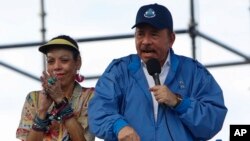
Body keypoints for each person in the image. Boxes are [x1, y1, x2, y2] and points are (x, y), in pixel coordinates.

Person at [88, 3, 227, 141]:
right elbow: (98, 110)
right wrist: (118, 126)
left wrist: (179, 102)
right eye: (140, 34)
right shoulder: (119, 71)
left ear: (171, 39)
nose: (146, 41)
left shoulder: (194, 72)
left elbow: (213, 120)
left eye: (154, 34)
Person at [16, 35, 95, 141]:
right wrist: (42, 112)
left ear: (78, 63)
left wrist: (61, 103)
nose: (56, 66)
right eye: (51, 61)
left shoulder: (91, 97)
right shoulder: (34, 98)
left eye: (64, 60)